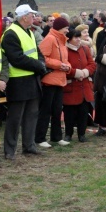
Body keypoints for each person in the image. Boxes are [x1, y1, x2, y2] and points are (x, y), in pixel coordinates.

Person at [0, 4, 48, 160]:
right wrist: (39, 66)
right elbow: (17, 58)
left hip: (32, 79)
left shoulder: (29, 32)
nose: (34, 18)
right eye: (32, 15)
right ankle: (9, 150)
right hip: (18, 81)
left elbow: (38, 53)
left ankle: (29, 145)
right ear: (24, 17)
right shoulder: (10, 34)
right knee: (15, 118)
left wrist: (41, 64)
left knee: (31, 115)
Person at [36, 17, 72, 147]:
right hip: (49, 80)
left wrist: (68, 66)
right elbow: (42, 58)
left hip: (60, 80)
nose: (68, 30)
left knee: (57, 110)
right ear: (60, 28)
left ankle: (56, 137)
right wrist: (60, 65)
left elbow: (65, 59)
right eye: (66, 28)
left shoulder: (62, 41)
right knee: (46, 110)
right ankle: (40, 138)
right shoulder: (50, 39)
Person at [63, 29, 96, 143]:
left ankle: (82, 134)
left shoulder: (85, 49)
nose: (78, 39)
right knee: (69, 114)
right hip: (71, 87)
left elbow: (92, 64)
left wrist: (85, 72)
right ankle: (68, 134)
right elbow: (64, 67)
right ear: (69, 39)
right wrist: (76, 73)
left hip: (84, 86)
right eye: (75, 37)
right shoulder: (64, 50)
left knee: (83, 113)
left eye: (79, 37)